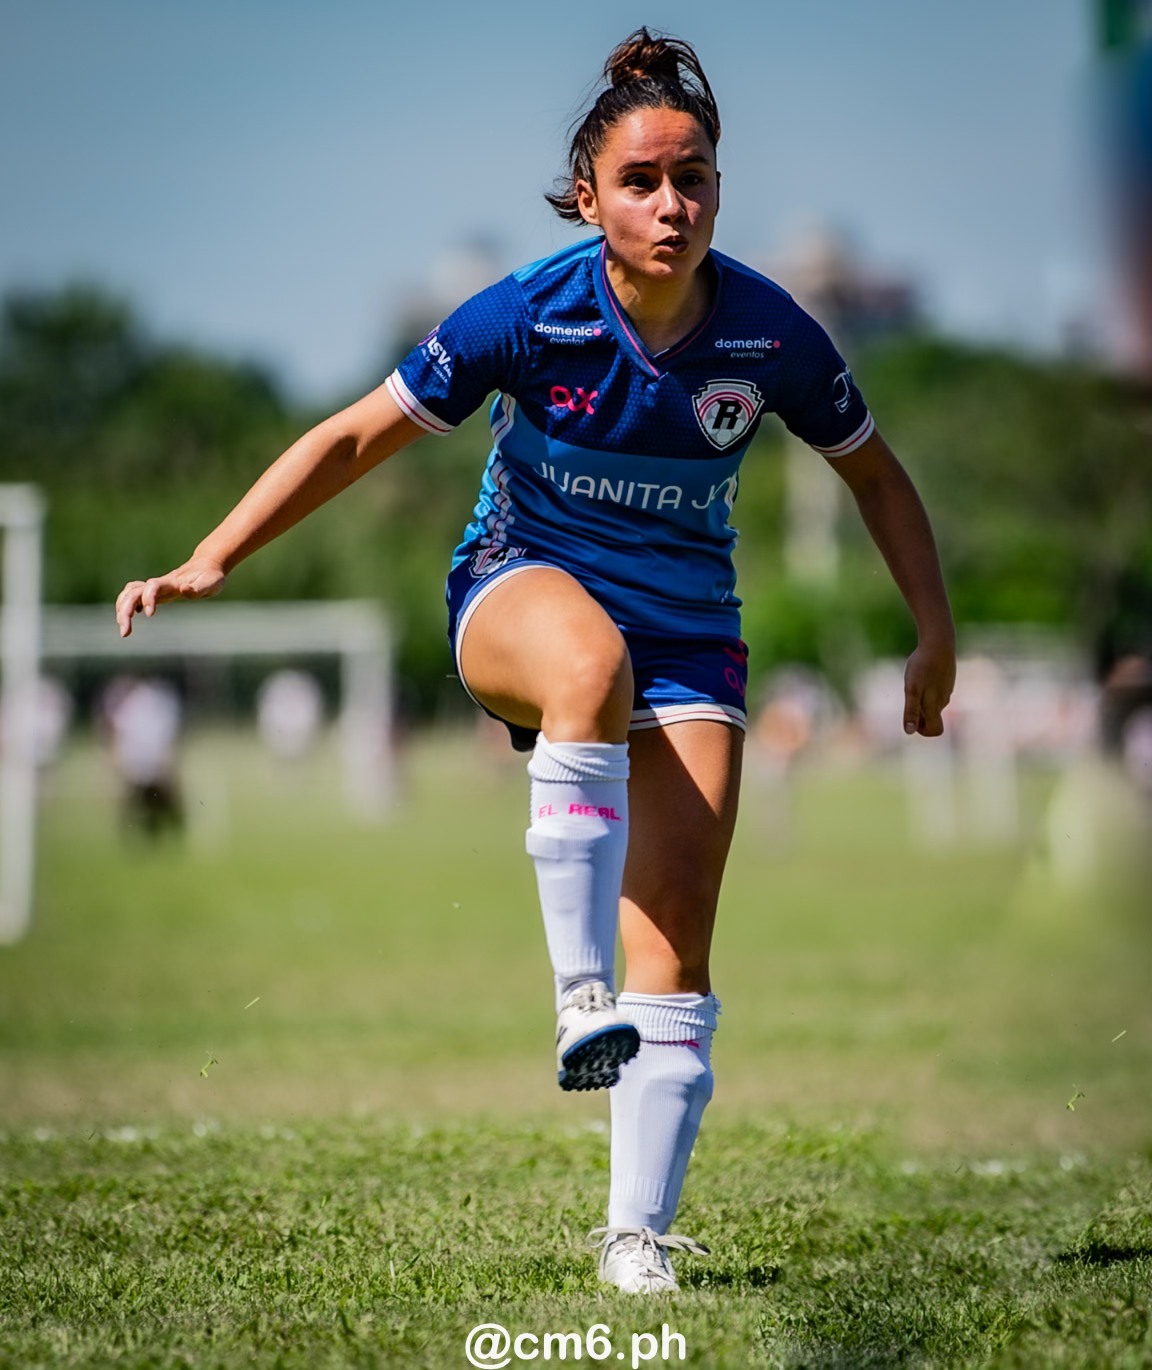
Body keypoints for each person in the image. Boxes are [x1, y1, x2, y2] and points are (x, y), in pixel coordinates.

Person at [115, 29, 955, 1293]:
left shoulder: (773, 336)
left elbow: (878, 477)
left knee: (677, 936)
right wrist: (211, 556)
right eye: (641, 180)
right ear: (587, 195)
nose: (672, 203)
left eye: (696, 177)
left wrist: (934, 630)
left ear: (719, 188)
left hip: (691, 634)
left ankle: (635, 1236)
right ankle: (575, 997)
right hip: (517, 593)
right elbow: (354, 437)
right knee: (585, 658)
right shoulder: (528, 312)